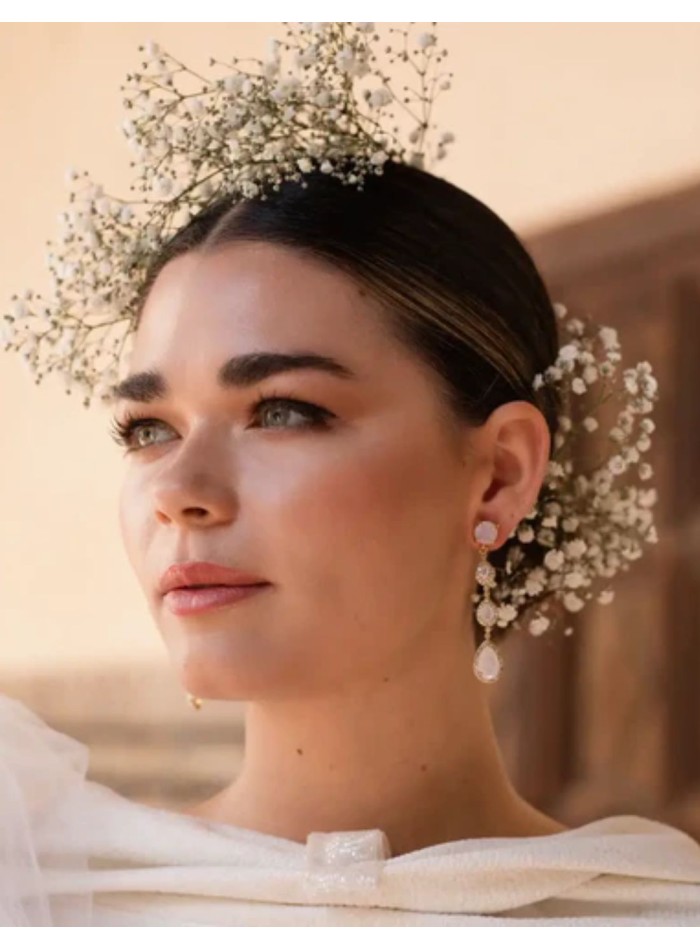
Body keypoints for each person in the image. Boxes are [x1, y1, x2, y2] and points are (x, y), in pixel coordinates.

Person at [2, 23, 699, 927]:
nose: (180, 488)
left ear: (498, 476)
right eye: (148, 428)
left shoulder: (656, 919)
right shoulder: (48, 897)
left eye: (283, 410)